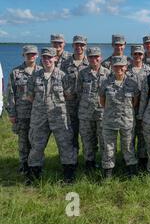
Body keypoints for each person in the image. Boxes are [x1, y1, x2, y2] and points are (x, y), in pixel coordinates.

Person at [26, 47, 76, 183]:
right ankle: (34, 175)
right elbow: (30, 96)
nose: (47, 60)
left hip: (59, 117)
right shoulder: (35, 76)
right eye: (44, 57)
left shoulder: (63, 76)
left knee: (65, 145)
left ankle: (68, 176)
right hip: (39, 118)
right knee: (37, 146)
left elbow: (69, 95)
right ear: (41, 59)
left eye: (50, 57)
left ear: (55, 58)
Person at [99, 56, 140, 178]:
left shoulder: (132, 83)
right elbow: (102, 101)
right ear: (112, 67)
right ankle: (108, 173)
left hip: (127, 120)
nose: (119, 69)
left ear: (126, 67)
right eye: (116, 66)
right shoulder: (106, 83)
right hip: (109, 121)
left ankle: (131, 171)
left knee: (128, 147)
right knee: (108, 147)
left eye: (121, 66)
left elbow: (135, 101)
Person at [6, 45, 42, 174]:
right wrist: (11, 113)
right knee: (23, 141)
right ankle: (24, 165)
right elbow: (10, 94)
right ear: (23, 55)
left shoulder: (41, 72)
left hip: (38, 114)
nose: (31, 56)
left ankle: (35, 165)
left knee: (36, 141)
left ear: (37, 55)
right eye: (28, 54)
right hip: (22, 114)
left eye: (33, 54)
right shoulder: (16, 73)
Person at [77, 47, 111, 170]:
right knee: (87, 141)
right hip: (85, 114)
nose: (93, 59)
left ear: (100, 57)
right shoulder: (82, 73)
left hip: (102, 113)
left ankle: (106, 165)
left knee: (104, 140)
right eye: (91, 57)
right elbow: (79, 92)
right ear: (87, 58)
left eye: (96, 57)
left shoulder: (107, 73)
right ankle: (89, 164)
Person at [61, 35, 89, 157]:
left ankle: (89, 160)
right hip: (69, 106)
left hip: (86, 106)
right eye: (76, 44)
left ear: (85, 46)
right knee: (71, 135)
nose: (79, 47)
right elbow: (60, 82)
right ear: (72, 46)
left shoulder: (91, 62)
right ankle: (73, 160)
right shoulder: (65, 64)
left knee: (87, 135)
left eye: (81, 45)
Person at [127, 45, 150, 169]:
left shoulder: (149, 71)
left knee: (143, 135)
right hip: (129, 109)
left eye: (140, 54)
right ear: (132, 55)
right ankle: (130, 161)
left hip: (145, 108)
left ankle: (143, 160)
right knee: (129, 136)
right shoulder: (125, 70)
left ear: (143, 55)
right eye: (135, 54)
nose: (137, 56)